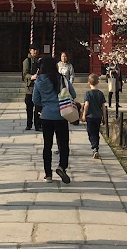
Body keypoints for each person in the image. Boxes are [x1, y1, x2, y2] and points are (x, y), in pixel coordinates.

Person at [33, 55, 75, 183]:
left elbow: (35, 100)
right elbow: (73, 94)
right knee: (63, 144)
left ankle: (48, 174)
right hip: (61, 115)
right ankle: (62, 166)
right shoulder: (61, 79)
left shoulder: (39, 81)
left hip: (46, 115)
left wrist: (45, 103)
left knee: (47, 145)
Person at [81, 73, 107, 159]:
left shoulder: (88, 93)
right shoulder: (100, 94)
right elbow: (103, 107)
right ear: (98, 82)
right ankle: (96, 148)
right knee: (96, 132)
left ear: (89, 83)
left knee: (91, 133)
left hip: (90, 116)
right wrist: (104, 117)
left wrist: (84, 114)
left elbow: (86, 105)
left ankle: (94, 148)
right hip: (98, 116)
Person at [22, 44, 42, 132]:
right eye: (33, 50)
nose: (35, 52)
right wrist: (31, 76)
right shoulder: (27, 61)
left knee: (38, 107)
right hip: (30, 87)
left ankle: (38, 125)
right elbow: (25, 74)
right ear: (30, 50)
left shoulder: (40, 61)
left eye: (36, 50)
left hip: (39, 86)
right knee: (29, 107)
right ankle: (29, 124)